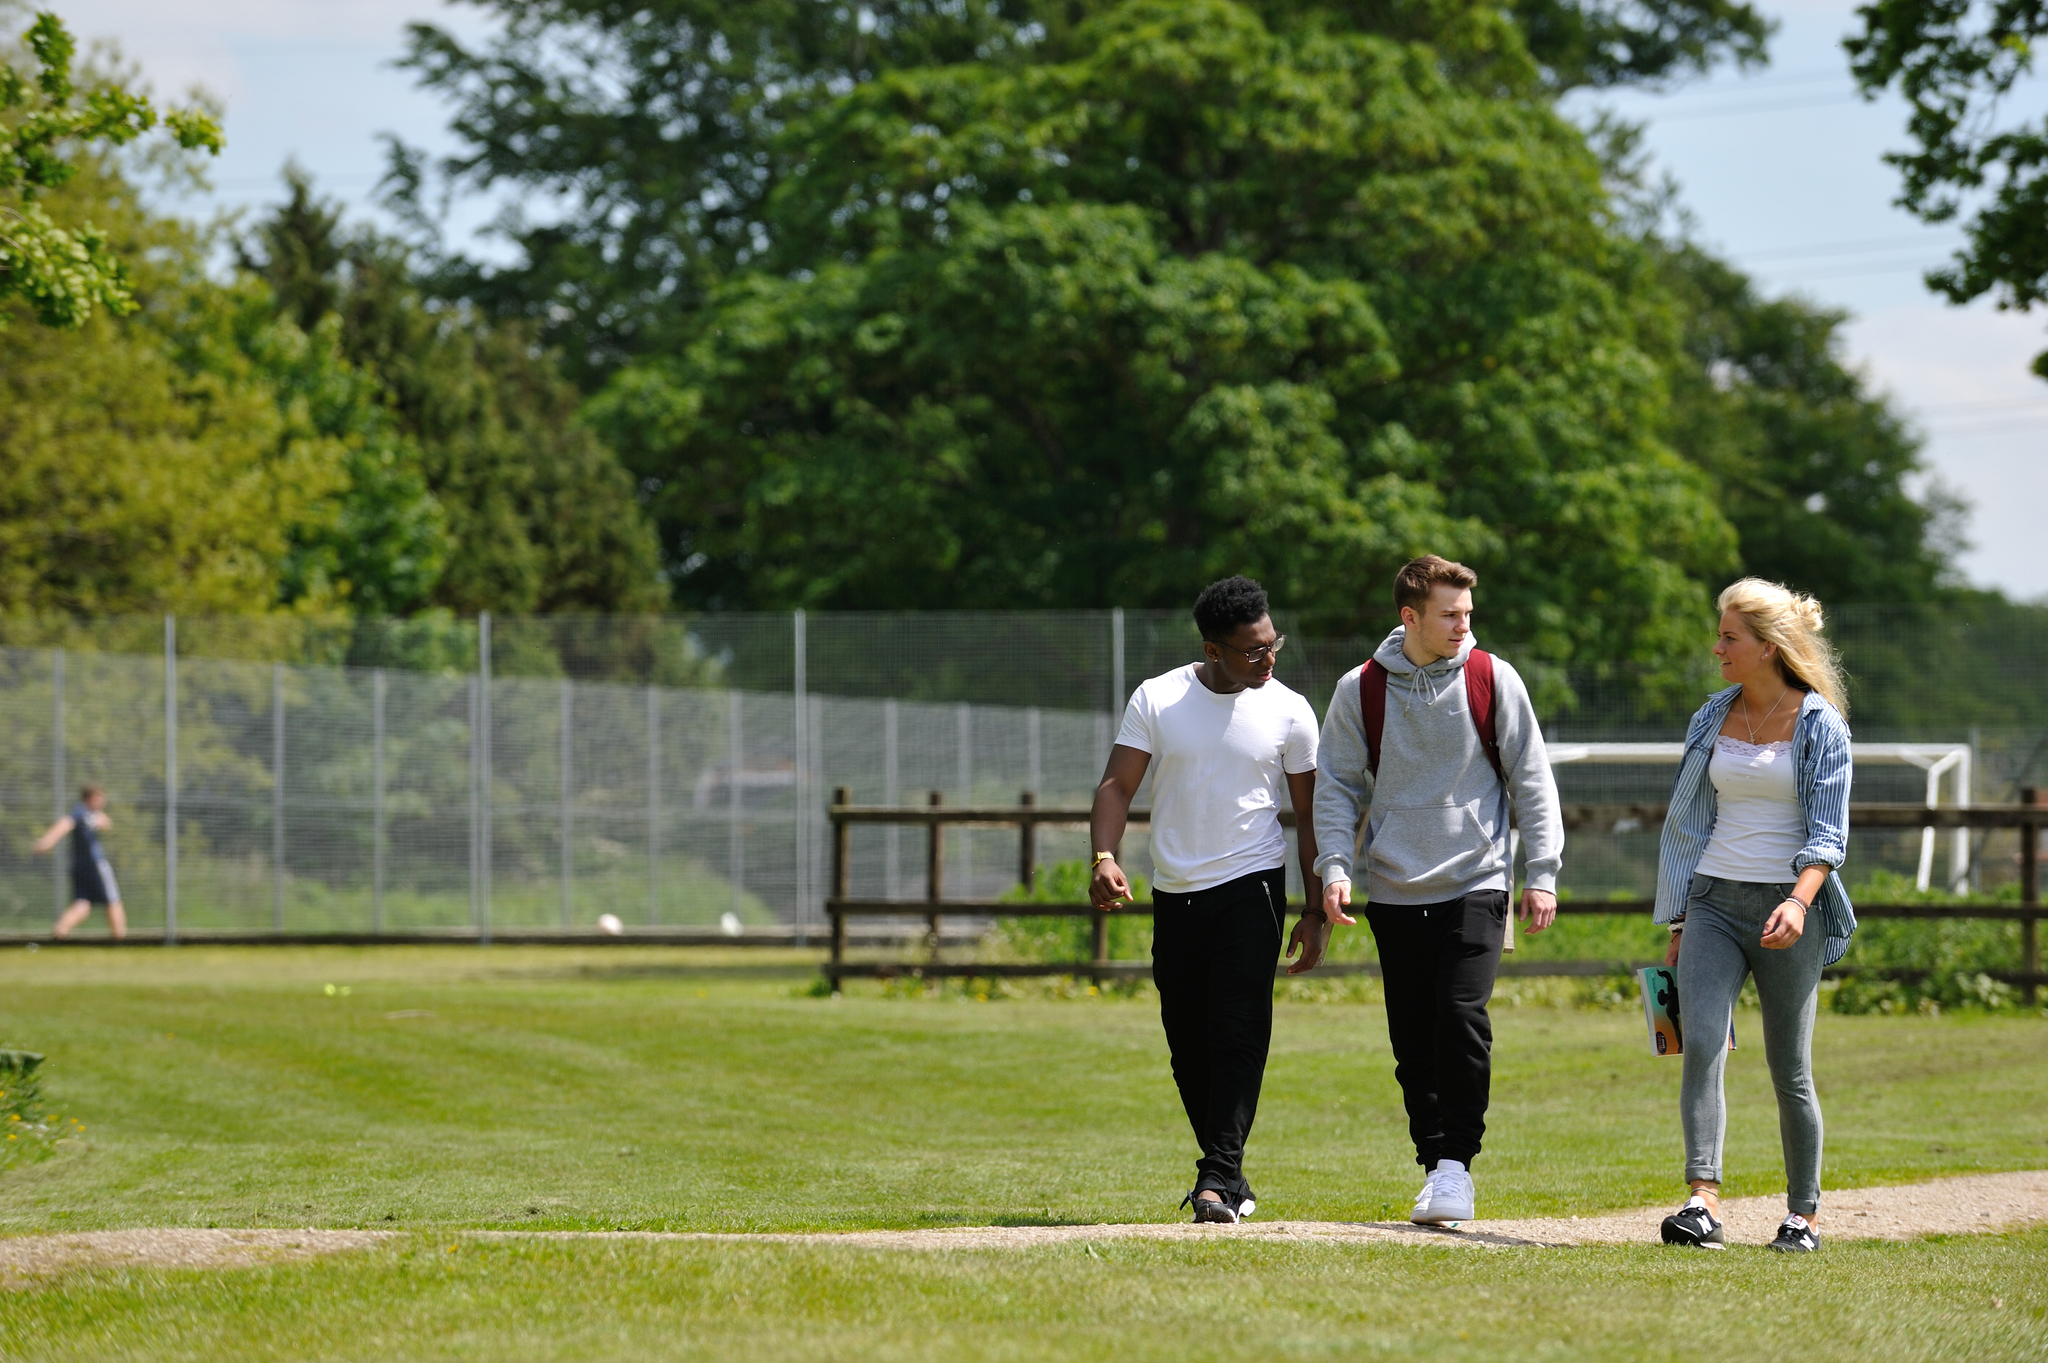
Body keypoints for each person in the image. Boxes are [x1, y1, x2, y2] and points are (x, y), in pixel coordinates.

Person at [1308, 555, 1563, 1225]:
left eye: (1467, 614)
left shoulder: (1491, 677)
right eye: (1449, 614)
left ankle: (1457, 1165)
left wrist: (1543, 871)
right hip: (1393, 885)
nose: (1462, 625)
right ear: (1409, 617)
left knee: (1460, 1016)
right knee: (1412, 1039)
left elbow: (1531, 778)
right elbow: (1334, 784)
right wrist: (1334, 869)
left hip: (1477, 878)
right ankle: (1434, 1162)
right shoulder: (1358, 689)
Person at [1089, 575, 1323, 1224]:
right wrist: (1104, 856)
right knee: (1187, 1043)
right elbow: (1115, 785)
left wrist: (1313, 908)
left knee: (1239, 1031)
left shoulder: (1291, 711)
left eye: (1275, 643)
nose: (1270, 658)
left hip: (1253, 889)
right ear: (1213, 649)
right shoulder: (1159, 698)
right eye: (1255, 650)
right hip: (1176, 894)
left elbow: (1310, 816)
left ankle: (1214, 1180)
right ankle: (1230, 1174)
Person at [1653, 578, 1855, 1254]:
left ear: (1768, 648)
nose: (1717, 648)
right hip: (1713, 900)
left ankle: (1804, 1214)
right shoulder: (1712, 715)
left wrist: (1798, 902)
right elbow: (1686, 820)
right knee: (1701, 1043)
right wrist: (1680, 922)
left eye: (1729, 638)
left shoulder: (1821, 723)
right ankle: (1702, 1199)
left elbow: (1829, 834)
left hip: (1788, 908)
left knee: (1788, 1067)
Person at [34, 784, 128, 940]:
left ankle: (59, 932)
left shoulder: (88, 813)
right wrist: (47, 842)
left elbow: (105, 822)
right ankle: (121, 938)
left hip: (80, 867)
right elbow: (65, 824)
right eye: (100, 798)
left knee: (82, 903)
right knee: (113, 900)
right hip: (95, 865)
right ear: (90, 798)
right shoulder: (81, 813)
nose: (102, 802)